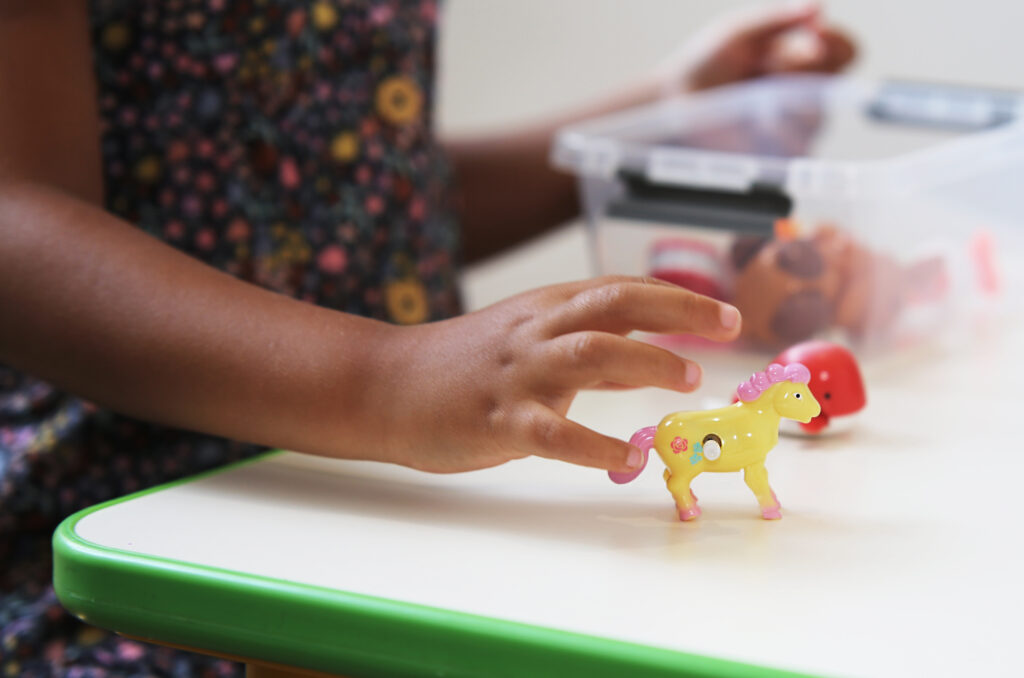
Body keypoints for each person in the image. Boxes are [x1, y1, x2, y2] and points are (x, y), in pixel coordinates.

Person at [0, 1, 855, 675]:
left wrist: (667, 118)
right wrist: (384, 377)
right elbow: (15, 222)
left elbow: (364, 192)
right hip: (142, 541)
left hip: (402, 510)